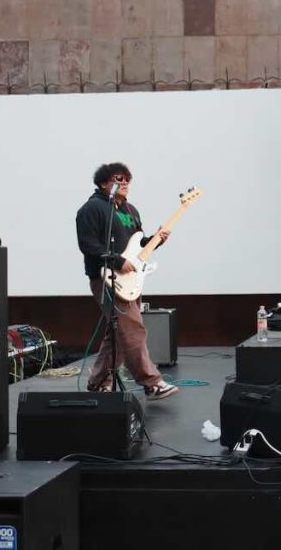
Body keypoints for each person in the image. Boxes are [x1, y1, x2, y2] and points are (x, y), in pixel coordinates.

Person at [75, 162, 178, 400]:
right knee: (132, 330)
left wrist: (155, 240)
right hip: (107, 278)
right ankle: (152, 383)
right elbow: (88, 245)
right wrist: (117, 262)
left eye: (127, 180)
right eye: (118, 179)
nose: (124, 184)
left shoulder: (131, 209)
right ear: (103, 183)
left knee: (119, 334)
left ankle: (99, 381)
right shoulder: (91, 209)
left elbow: (138, 245)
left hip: (131, 279)